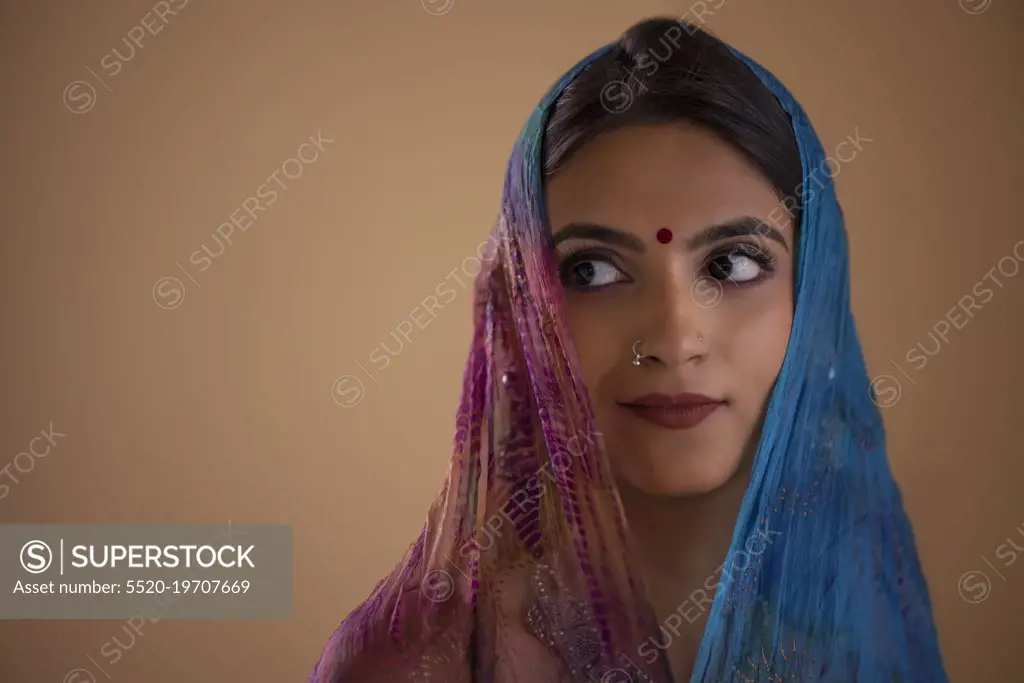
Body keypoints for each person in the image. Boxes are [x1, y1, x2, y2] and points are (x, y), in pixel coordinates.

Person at [310, 17, 948, 683]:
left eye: (732, 265)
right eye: (591, 272)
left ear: (815, 292)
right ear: (523, 308)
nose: (674, 341)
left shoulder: (863, 645)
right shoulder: (422, 664)